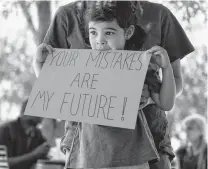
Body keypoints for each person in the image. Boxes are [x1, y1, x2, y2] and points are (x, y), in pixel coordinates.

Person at [35, 1, 194, 169]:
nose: (100, 41)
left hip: (145, 147)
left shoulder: (158, 20)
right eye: (93, 33)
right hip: (85, 147)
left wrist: (148, 98)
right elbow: (52, 87)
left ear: (128, 33)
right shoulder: (66, 16)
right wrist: (37, 65)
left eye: (109, 33)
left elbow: (171, 91)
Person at [0, 100, 51, 169]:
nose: (42, 116)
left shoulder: (37, 134)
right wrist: (34, 154)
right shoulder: (6, 130)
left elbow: (42, 158)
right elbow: (3, 163)